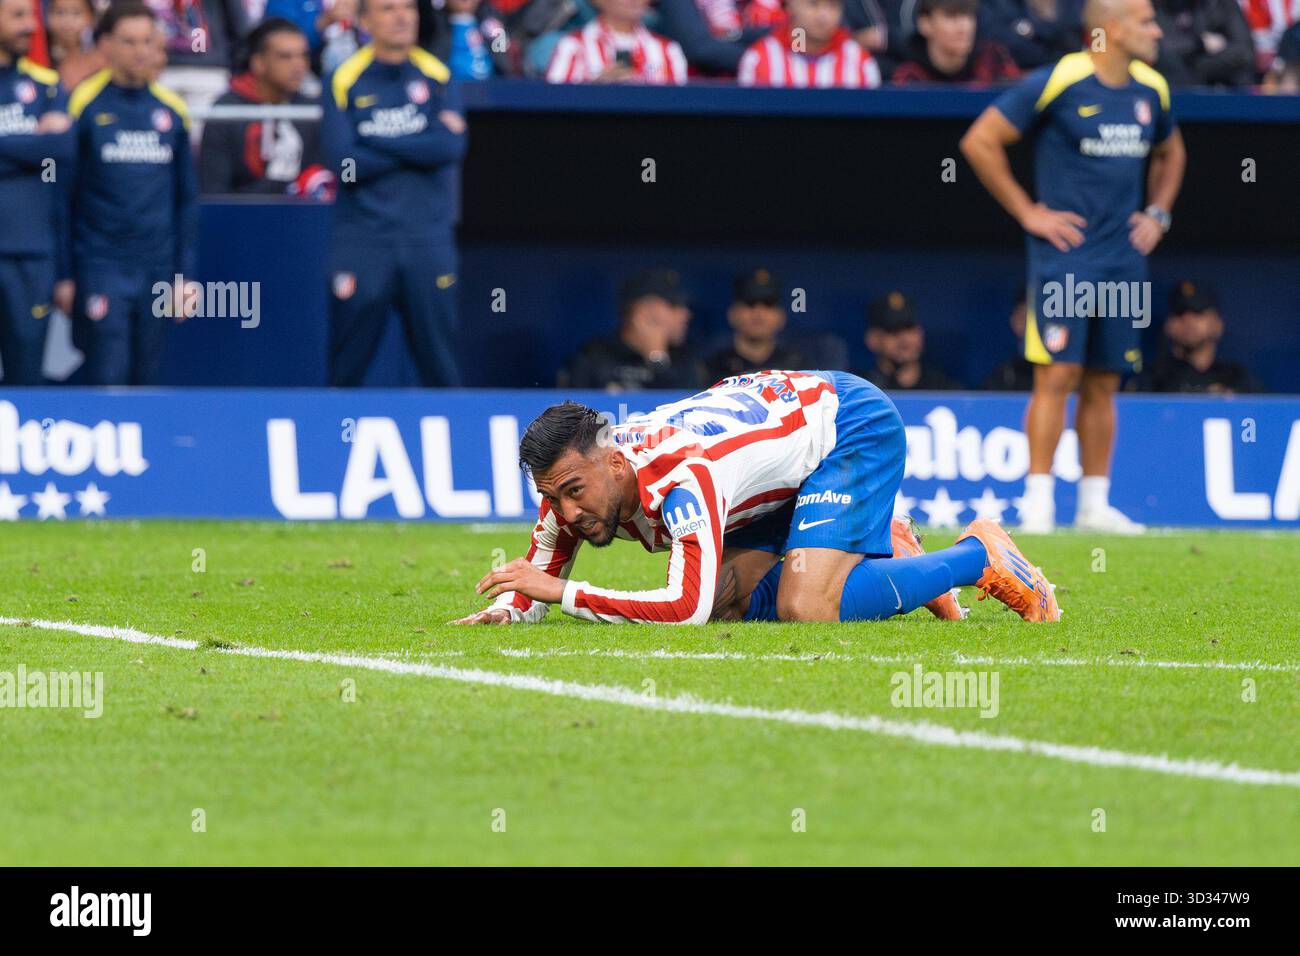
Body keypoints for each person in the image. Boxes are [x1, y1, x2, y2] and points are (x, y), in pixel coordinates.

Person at [450, 371, 1059, 626]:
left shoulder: (682, 477)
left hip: (847, 424)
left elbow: (680, 609)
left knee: (804, 606)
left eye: (574, 494)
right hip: (772, 453)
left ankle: (979, 554)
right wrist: (511, 609)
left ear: (613, 463)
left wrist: (565, 595)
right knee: (728, 597)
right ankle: (885, 555)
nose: (567, 514)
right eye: (553, 498)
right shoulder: (576, 479)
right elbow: (540, 568)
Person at [961, 0, 1186, 533]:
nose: (1157, 30)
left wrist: (1157, 213)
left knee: (1106, 379)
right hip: (1067, 259)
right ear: (1110, 30)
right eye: (1145, 21)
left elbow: (1172, 154)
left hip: (1123, 260)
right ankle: (1038, 502)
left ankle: (1093, 504)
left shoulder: (1152, 88)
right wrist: (1028, 212)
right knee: (1057, 373)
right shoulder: (1060, 79)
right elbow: (980, 140)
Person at [322, 0, 467, 386]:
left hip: (428, 238)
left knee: (441, 365)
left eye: (408, 7)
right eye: (388, 8)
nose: (402, 16)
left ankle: (451, 441)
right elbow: (344, 164)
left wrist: (372, 139)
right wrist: (421, 139)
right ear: (365, 20)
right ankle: (337, 439)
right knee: (346, 366)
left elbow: (451, 149)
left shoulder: (437, 75)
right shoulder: (344, 77)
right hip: (363, 239)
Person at [66, 2, 198, 386]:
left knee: (148, 375)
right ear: (105, 44)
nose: (140, 51)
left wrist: (184, 276)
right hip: (101, 264)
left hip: (156, 266)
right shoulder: (83, 104)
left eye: (147, 41)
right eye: (129, 41)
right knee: (108, 371)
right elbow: (61, 194)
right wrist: (64, 275)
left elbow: (187, 199)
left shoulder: (172, 111)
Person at [0, 0, 73, 385]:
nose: (30, 26)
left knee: (27, 375)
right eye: (17, 16)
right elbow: (41, 149)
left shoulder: (46, 85)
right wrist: (29, 145)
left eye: (31, 16)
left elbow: (59, 151)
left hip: (31, 253)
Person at [199, 18, 331, 196]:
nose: (299, 65)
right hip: (239, 218)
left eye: (303, 55)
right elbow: (214, 189)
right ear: (258, 62)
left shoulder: (311, 110)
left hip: (301, 218)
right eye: (286, 56)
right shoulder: (226, 112)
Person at [559, 270, 705, 391]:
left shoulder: (684, 359)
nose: (685, 314)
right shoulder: (594, 358)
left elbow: (689, 412)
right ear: (641, 311)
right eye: (673, 305)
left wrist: (657, 358)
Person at [1127, 281, 1262, 393]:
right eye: (1180, 313)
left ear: (1217, 325)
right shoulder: (1151, 380)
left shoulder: (1237, 378)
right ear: (1168, 325)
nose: (1188, 321)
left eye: (1198, 313)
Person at [738, 0, 882, 86]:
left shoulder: (860, 61)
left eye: (833, 5)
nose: (824, 16)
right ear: (789, 5)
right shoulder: (758, 59)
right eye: (813, 4)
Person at [545, 0, 688, 84]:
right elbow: (552, 105)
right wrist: (594, 90)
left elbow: (681, 107)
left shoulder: (668, 50)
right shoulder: (572, 46)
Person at [703, 268, 803, 384]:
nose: (759, 314)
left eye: (768, 304)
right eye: (750, 303)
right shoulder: (711, 368)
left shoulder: (797, 367)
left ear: (781, 316)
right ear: (732, 314)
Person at [891, 0, 1021, 83]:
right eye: (951, 16)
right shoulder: (910, 74)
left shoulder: (993, 58)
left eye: (968, 15)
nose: (964, 27)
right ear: (925, 24)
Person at [855, 291, 960, 390]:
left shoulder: (944, 390)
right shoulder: (860, 394)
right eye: (893, 330)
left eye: (909, 328)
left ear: (920, 333)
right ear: (873, 339)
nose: (904, 339)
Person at [1152, 0, 1254, 86]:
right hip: (1173, 89)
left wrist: (1196, 66)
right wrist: (1200, 43)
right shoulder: (1156, 5)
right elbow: (1159, 50)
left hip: (1225, 89)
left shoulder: (1221, 4)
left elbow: (1245, 52)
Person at [981, 292, 1036, 390]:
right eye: (1025, 318)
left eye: (1039, 320)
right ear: (1015, 321)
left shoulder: (1068, 374)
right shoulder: (1003, 377)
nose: (1034, 328)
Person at [45, 0, 104, 89]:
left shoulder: (99, 62)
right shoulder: (38, 58)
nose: (67, 21)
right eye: (60, 13)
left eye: (76, 13)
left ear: (92, 19)